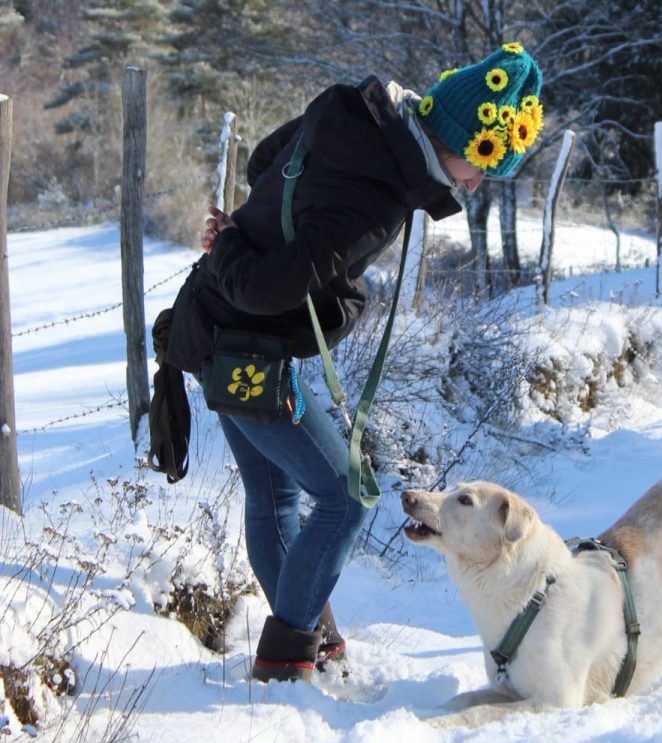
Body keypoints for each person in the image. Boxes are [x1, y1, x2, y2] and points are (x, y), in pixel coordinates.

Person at [155, 43, 544, 683]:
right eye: (479, 163)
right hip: (243, 343)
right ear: (450, 136)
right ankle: (285, 664)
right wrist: (238, 250)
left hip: (216, 330)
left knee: (275, 495)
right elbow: (264, 288)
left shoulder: (347, 108)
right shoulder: (377, 200)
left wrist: (255, 237)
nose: (475, 184)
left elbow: (264, 161)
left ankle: (313, 640)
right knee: (347, 495)